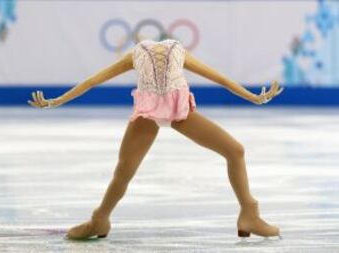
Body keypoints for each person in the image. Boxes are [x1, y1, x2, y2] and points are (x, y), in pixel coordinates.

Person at [28, 38, 283, 240]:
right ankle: (100, 219)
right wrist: (56, 101)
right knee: (123, 172)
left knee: (235, 151)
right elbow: (93, 80)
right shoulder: (140, 54)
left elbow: (219, 78)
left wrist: (254, 97)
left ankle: (249, 214)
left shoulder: (174, 51)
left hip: (180, 113)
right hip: (147, 116)